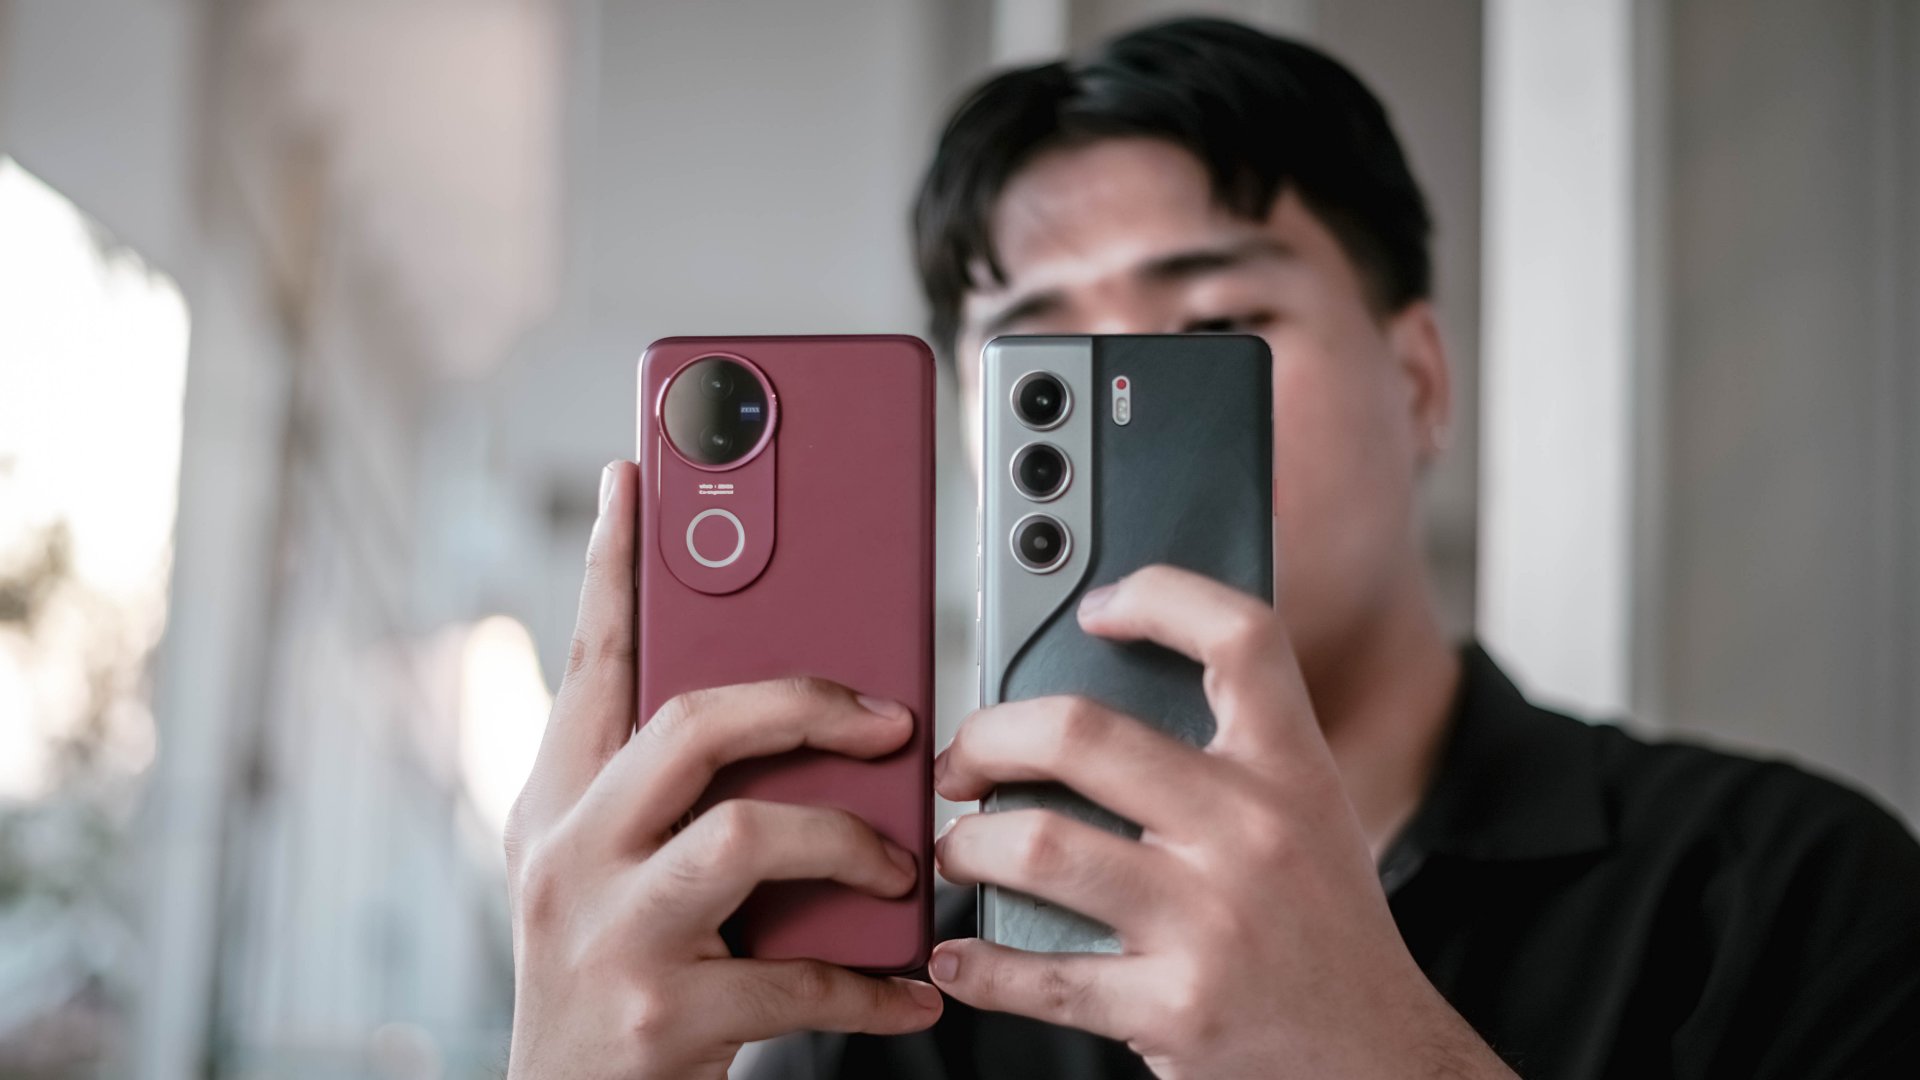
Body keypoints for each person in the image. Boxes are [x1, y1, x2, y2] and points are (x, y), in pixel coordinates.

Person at [502, 18, 1920, 1080]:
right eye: (1042, 373)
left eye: (1214, 331)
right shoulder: (897, 996)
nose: (1123, 421)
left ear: (1420, 382)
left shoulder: (1788, 896)